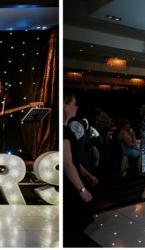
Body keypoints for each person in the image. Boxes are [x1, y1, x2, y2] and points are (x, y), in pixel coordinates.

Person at [62, 92, 93, 245]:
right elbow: (67, 164)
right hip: (70, 183)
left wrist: (86, 174)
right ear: (64, 106)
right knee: (79, 220)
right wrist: (82, 189)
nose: (77, 107)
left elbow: (73, 159)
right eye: (74, 104)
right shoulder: (64, 131)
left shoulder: (67, 129)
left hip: (74, 178)